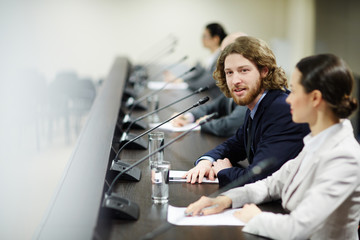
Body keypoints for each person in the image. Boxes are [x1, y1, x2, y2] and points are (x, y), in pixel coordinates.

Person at [185, 53, 360, 240]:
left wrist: (256, 218)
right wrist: (225, 200)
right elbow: (271, 185)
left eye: (294, 91)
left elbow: (298, 228)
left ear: (315, 98)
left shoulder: (344, 157)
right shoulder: (316, 140)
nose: (289, 99)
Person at [183, 36, 310, 186]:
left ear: (264, 71)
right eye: (229, 73)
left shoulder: (282, 108)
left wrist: (223, 171)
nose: (235, 80)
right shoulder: (257, 104)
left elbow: (260, 177)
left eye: (244, 70)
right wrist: (206, 161)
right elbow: (235, 144)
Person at [171, 32, 248, 137]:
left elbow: (231, 125)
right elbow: (212, 107)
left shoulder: (248, 86)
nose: (222, 59)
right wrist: (188, 117)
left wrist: (202, 124)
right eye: (222, 54)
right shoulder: (232, 84)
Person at [164, 23, 227, 99]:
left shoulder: (221, 58)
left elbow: (204, 83)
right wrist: (180, 80)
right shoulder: (212, 57)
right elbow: (199, 76)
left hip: (214, 100)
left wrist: (183, 82)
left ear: (216, 39)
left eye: (205, 36)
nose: (202, 39)